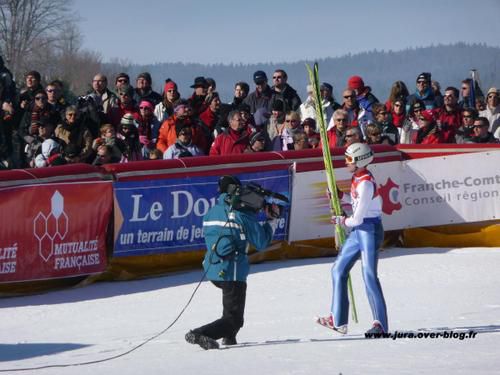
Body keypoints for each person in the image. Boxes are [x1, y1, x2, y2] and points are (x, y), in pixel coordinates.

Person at [185, 175, 277, 350]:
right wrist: (271, 221)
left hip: (212, 269)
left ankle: (229, 337)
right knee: (234, 319)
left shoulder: (211, 212)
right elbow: (261, 242)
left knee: (230, 309)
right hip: (232, 270)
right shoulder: (241, 215)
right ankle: (199, 333)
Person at [316, 143, 388, 335]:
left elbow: (358, 217)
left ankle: (380, 324)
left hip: (369, 231)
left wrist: (342, 220)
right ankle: (338, 320)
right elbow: (355, 202)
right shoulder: (357, 177)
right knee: (338, 269)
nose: (345, 162)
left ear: (360, 161)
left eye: (349, 159)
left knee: (369, 276)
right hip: (358, 231)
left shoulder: (365, 183)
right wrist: (341, 196)